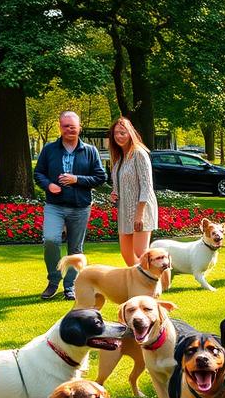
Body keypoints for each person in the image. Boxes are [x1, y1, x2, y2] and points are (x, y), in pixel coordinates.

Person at [33, 111, 107, 300]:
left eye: (73, 126)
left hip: (80, 206)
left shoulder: (90, 151)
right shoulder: (50, 149)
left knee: (76, 248)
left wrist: (76, 179)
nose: (69, 130)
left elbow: (100, 177)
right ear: (60, 127)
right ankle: (53, 280)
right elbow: (38, 173)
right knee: (50, 240)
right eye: (65, 126)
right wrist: (48, 185)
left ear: (79, 127)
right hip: (54, 205)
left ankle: (71, 285)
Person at [107, 116, 158, 265]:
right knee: (127, 255)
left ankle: (160, 281)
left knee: (141, 254)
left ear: (131, 134)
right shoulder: (119, 158)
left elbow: (147, 186)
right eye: (116, 133)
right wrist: (114, 194)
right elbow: (121, 185)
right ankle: (140, 284)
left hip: (141, 210)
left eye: (123, 132)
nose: (119, 136)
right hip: (125, 211)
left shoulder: (139, 153)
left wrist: (139, 215)